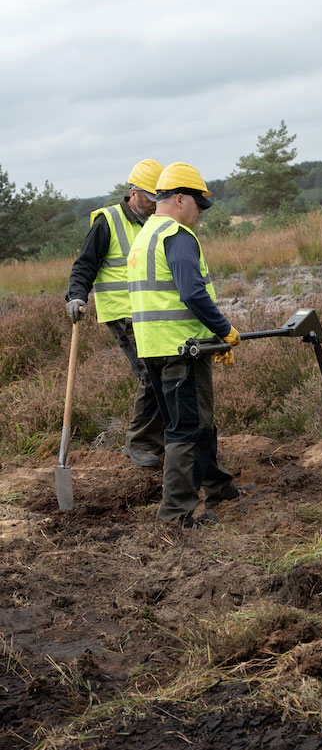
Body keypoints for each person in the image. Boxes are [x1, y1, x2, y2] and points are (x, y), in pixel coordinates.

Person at [127, 162, 243, 527]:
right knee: (186, 430)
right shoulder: (176, 236)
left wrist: (213, 339)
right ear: (180, 199)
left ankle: (218, 485)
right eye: (198, 205)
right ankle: (176, 515)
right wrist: (224, 329)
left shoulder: (145, 234)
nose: (200, 216)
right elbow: (191, 292)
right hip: (182, 350)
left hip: (156, 349)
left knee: (195, 422)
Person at [65, 159, 166, 467]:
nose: (154, 203)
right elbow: (84, 265)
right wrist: (76, 296)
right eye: (150, 196)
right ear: (133, 191)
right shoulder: (107, 222)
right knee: (150, 375)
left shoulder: (157, 221)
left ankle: (160, 441)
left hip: (154, 312)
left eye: (158, 196)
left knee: (165, 373)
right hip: (123, 314)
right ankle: (139, 444)